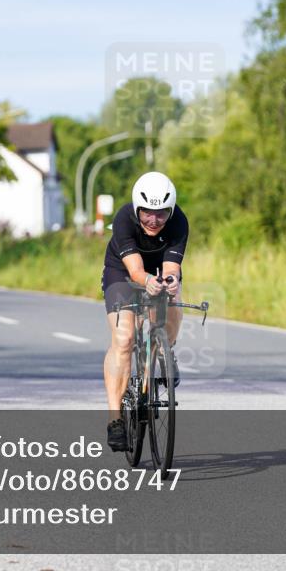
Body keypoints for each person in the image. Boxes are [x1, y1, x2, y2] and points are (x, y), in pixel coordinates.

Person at [101, 172, 188, 452]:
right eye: (147, 214)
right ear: (137, 208)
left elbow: (172, 268)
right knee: (124, 339)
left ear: (171, 211)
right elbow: (137, 271)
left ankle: (165, 349)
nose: (153, 221)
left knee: (172, 300)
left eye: (161, 214)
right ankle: (115, 419)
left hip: (159, 268)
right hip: (123, 272)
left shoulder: (179, 223)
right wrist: (148, 281)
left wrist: (169, 282)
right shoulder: (124, 219)